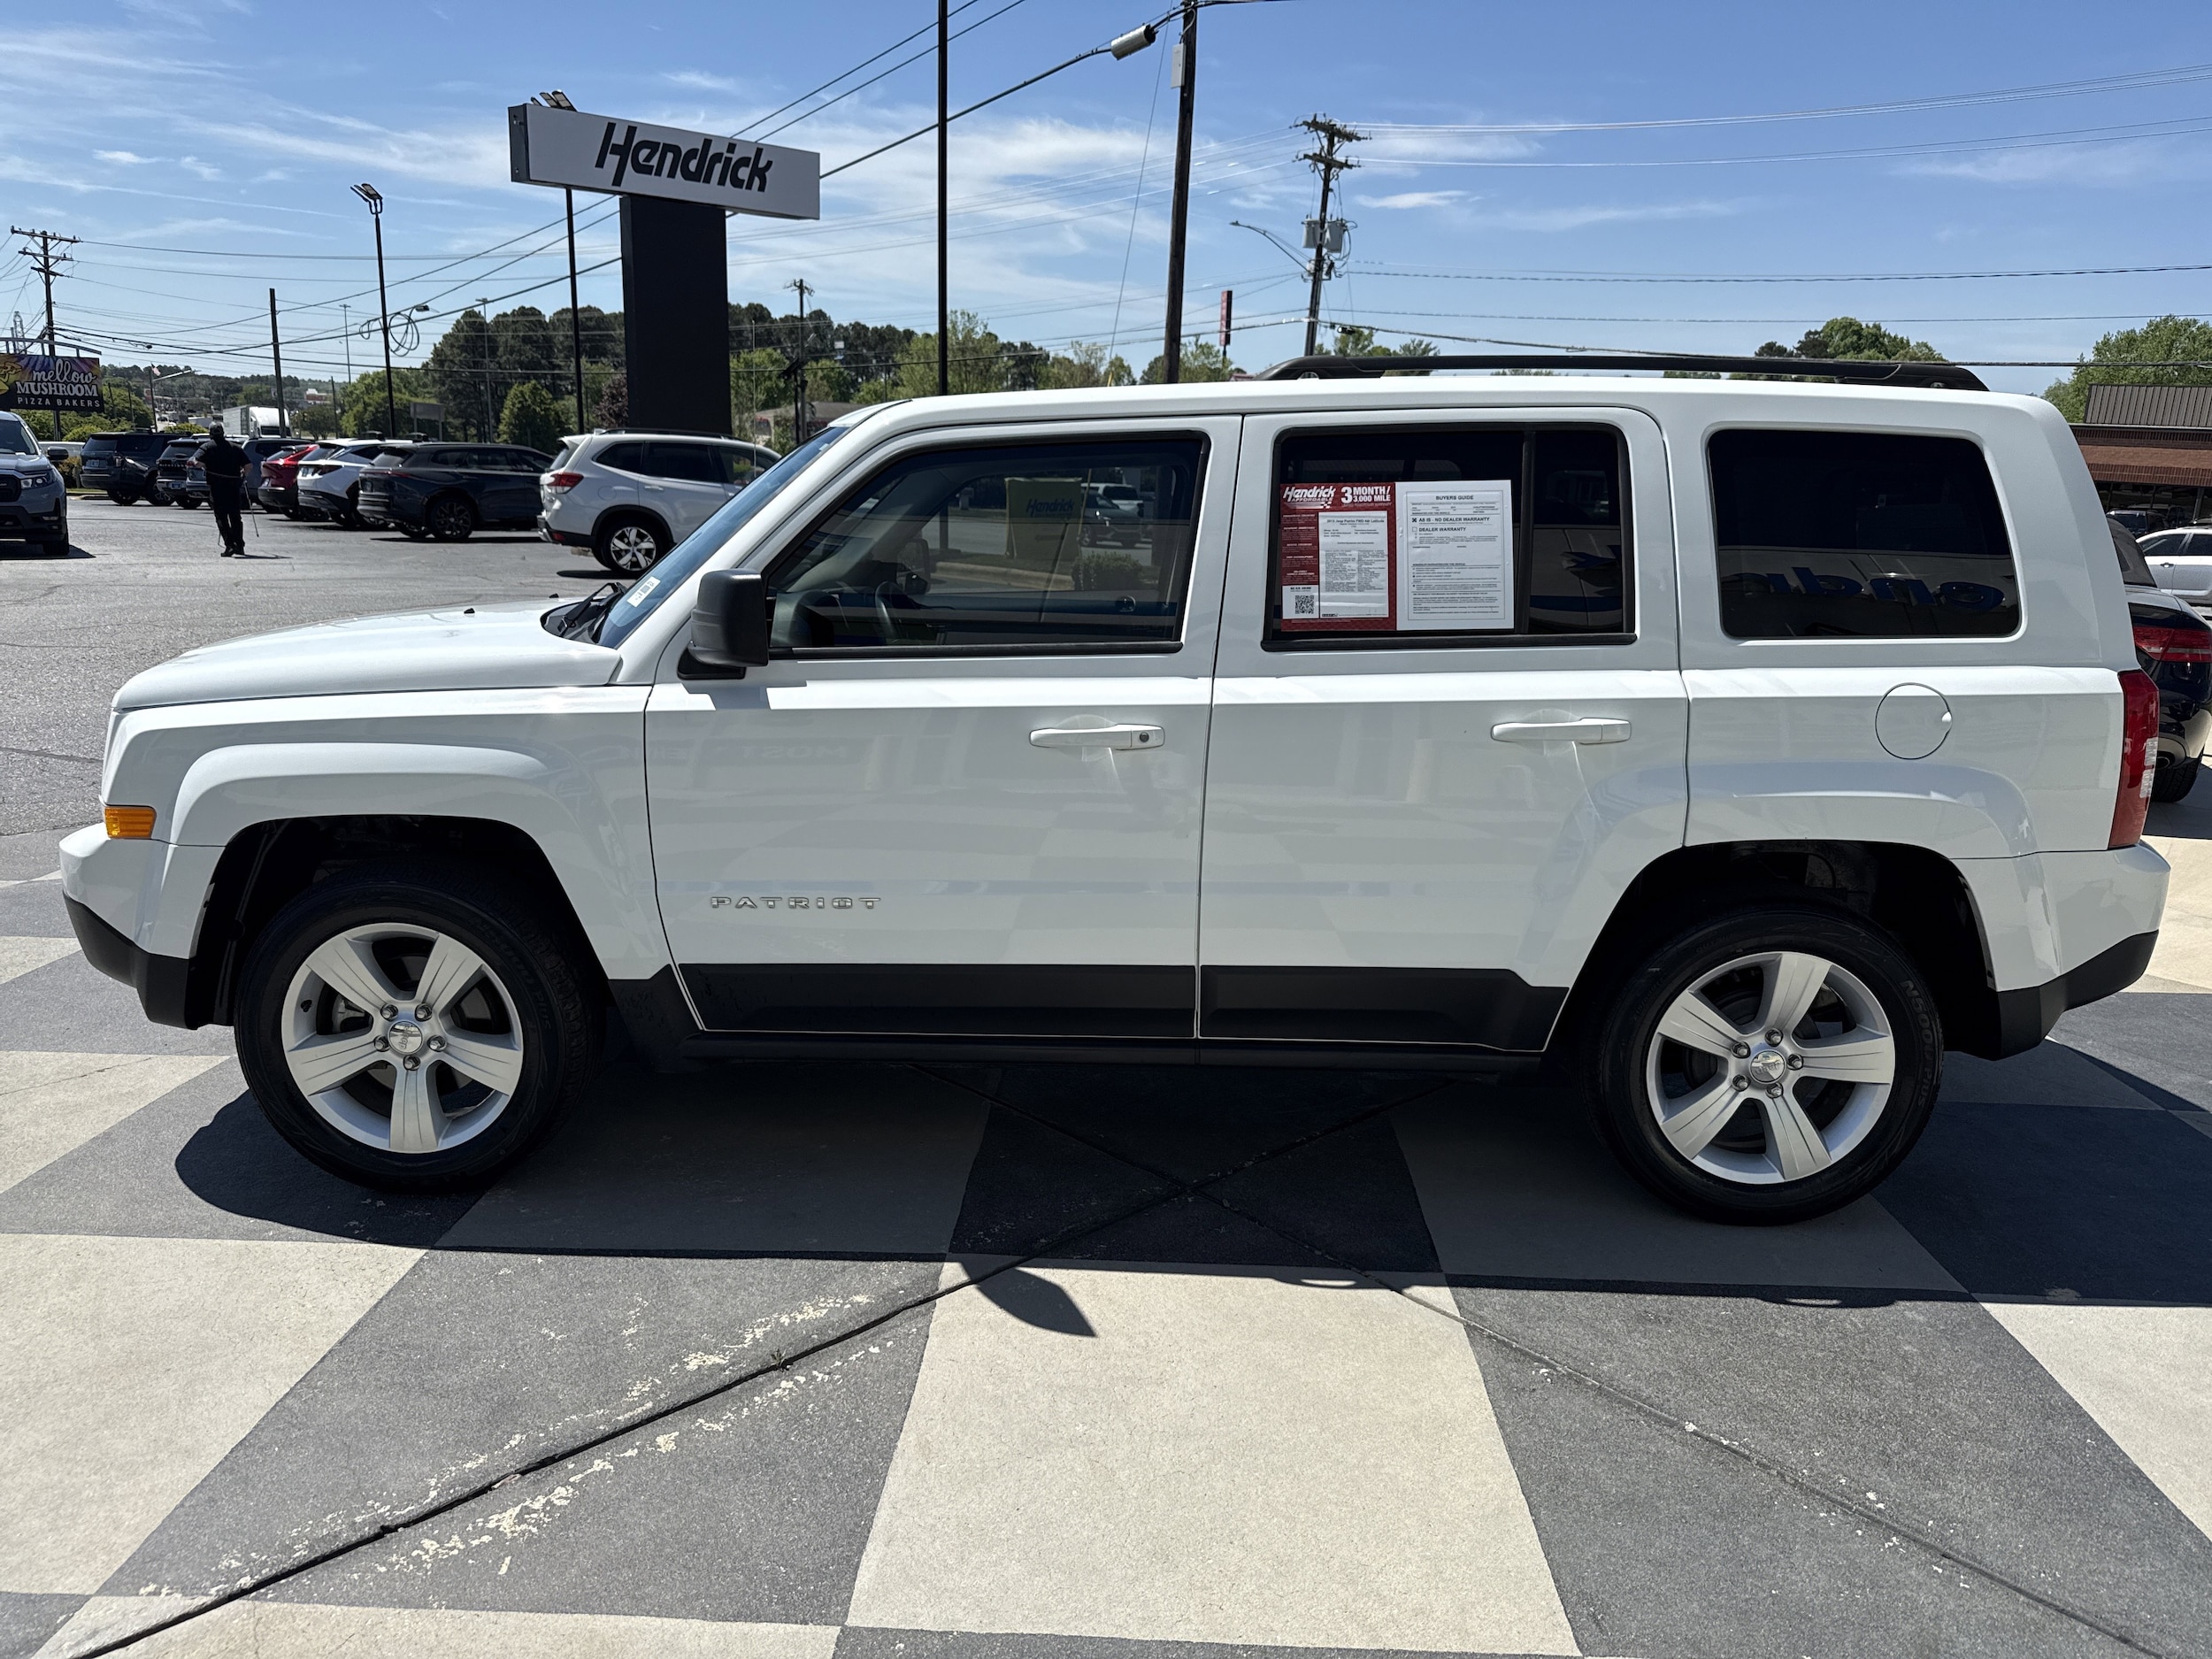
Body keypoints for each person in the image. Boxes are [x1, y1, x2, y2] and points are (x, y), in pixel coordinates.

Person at [198, 423, 249, 557]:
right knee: (235, 516)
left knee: (221, 517)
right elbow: (248, 465)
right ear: (223, 433)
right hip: (233, 487)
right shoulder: (235, 448)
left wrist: (206, 467)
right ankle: (239, 545)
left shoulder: (207, 447)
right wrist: (243, 476)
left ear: (210, 433)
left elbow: (197, 462)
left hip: (217, 488)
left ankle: (230, 545)